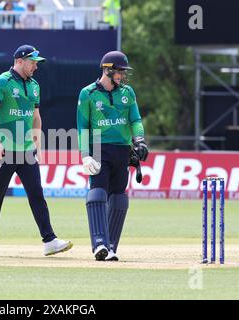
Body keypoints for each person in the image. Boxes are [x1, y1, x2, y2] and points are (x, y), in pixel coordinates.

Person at [0, 44, 73, 257]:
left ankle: (49, 240)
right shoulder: (2, 82)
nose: (35, 67)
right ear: (20, 60)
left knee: (36, 194)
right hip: (4, 149)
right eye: (32, 62)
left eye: (36, 63)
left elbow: (36, 116)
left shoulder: (34, 86)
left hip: (26, 150)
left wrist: (37, 143)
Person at [76, 51, 148, 261]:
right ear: (108, 70)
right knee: (98, 193)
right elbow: (82, 127)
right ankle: (99, 244)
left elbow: (135, 120)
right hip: (98, 147)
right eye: (120, 72)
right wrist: (85, 155)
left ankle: (111, 246)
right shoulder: (87, 94)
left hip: (122, 150)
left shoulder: (127, 92)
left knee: (119, 197)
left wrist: (139, 140)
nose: (123, 76)